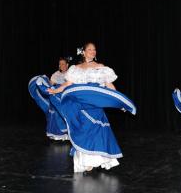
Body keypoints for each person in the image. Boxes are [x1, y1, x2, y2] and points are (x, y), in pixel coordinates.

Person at [47, 42, 136, 173]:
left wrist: (118, 101)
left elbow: (109, 86)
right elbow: (68, 84)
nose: (93, 51)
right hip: (80, 104)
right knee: (83, 130)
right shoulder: (75, 68)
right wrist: (56, 91)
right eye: (90, 49)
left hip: (95, 103)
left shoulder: (101, 67)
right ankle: (86, 161)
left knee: (97, 129)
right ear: (83, 52)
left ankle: (97, 160)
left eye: (94, 49)